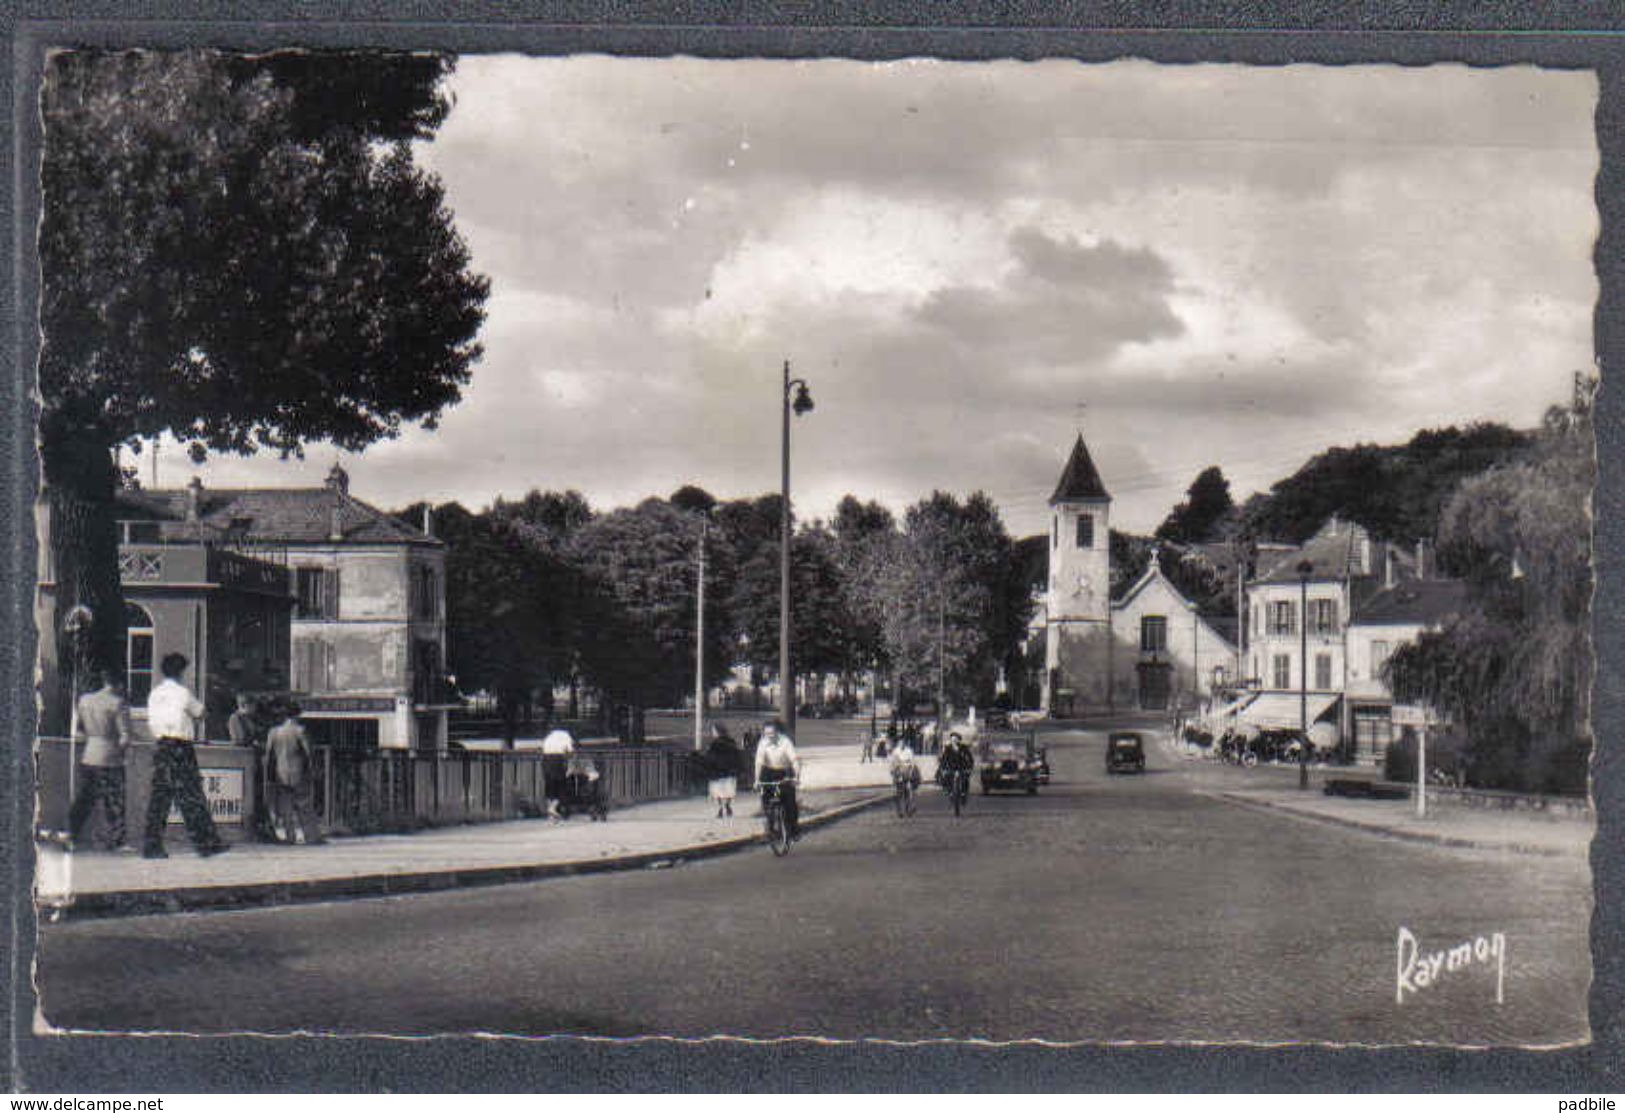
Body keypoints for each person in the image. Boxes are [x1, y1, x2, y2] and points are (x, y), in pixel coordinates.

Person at [141, 652, 228, 859]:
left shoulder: (155, 693)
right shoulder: (182, 693)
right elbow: (201, 713)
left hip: (162, 745)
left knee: (159, 798)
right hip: (181, 746)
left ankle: (152, 846)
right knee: (191, 796)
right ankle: (206, 843)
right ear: (180, 672)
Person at [63, 670, 134, 851]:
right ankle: (117, 841)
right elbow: (124, 736)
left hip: (89, 755)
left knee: (84, 800)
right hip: (110, 757)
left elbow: (79, 731)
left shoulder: (85, 700)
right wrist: (124, 751)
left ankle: (72, 835)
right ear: (119, 685)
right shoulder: (117, 703)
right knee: (115, 802)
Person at [266, 704, 324, 845]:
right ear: (297, 715)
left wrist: (269, 774)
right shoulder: (300, 731)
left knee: (285, 807)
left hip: (281, 773)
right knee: (304, 806)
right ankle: (311, 837)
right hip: (299, 772)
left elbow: (269, 755)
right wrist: (314, 769)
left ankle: (289, 836)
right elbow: (309, 753)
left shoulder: (274, 732)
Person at [753, 718, 802, 839]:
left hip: (783, 771)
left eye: (772, 733)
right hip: (768, 770)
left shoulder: (785, 742)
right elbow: (759, 762)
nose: (769, 736)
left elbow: (794, 760)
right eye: (767, 734)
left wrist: (796, 776)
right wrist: (757, 780)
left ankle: (793, 828)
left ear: (777, 732)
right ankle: (770, 826)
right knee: (765, 797)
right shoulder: (763, 743)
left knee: (790, 800)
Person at [705, 722, 741, 818]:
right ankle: (727, 805)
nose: (712, 733)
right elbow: (736, 755)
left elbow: (710, 757)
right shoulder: (731, 742)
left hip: (718, 771)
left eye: (713, 731)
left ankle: (721, 808)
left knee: (718, 790)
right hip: (730, 770)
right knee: (729, 789)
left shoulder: (714, 744)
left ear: (717, 732)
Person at [540, 727, 576, 822]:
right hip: (558, 761)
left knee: (549, 786)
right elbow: (570, 751)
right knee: (561, 787)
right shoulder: (566, 736)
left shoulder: (548, 737)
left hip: (546, 760)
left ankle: (551, 815)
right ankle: (552, 808)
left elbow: (543, 749)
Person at [939, 731, 977, 796]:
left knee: (965, 778)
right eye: (952, 739)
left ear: (959, 740)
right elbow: (944, 758)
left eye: (955, 739)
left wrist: (970, 767)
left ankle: (964, 791)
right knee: (945, 776)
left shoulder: (964, 747)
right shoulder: (948, 748)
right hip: (951, 767)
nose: (954, 740)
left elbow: (969, 757)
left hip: (962, 767)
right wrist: (943, 768)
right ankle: (947, 790)